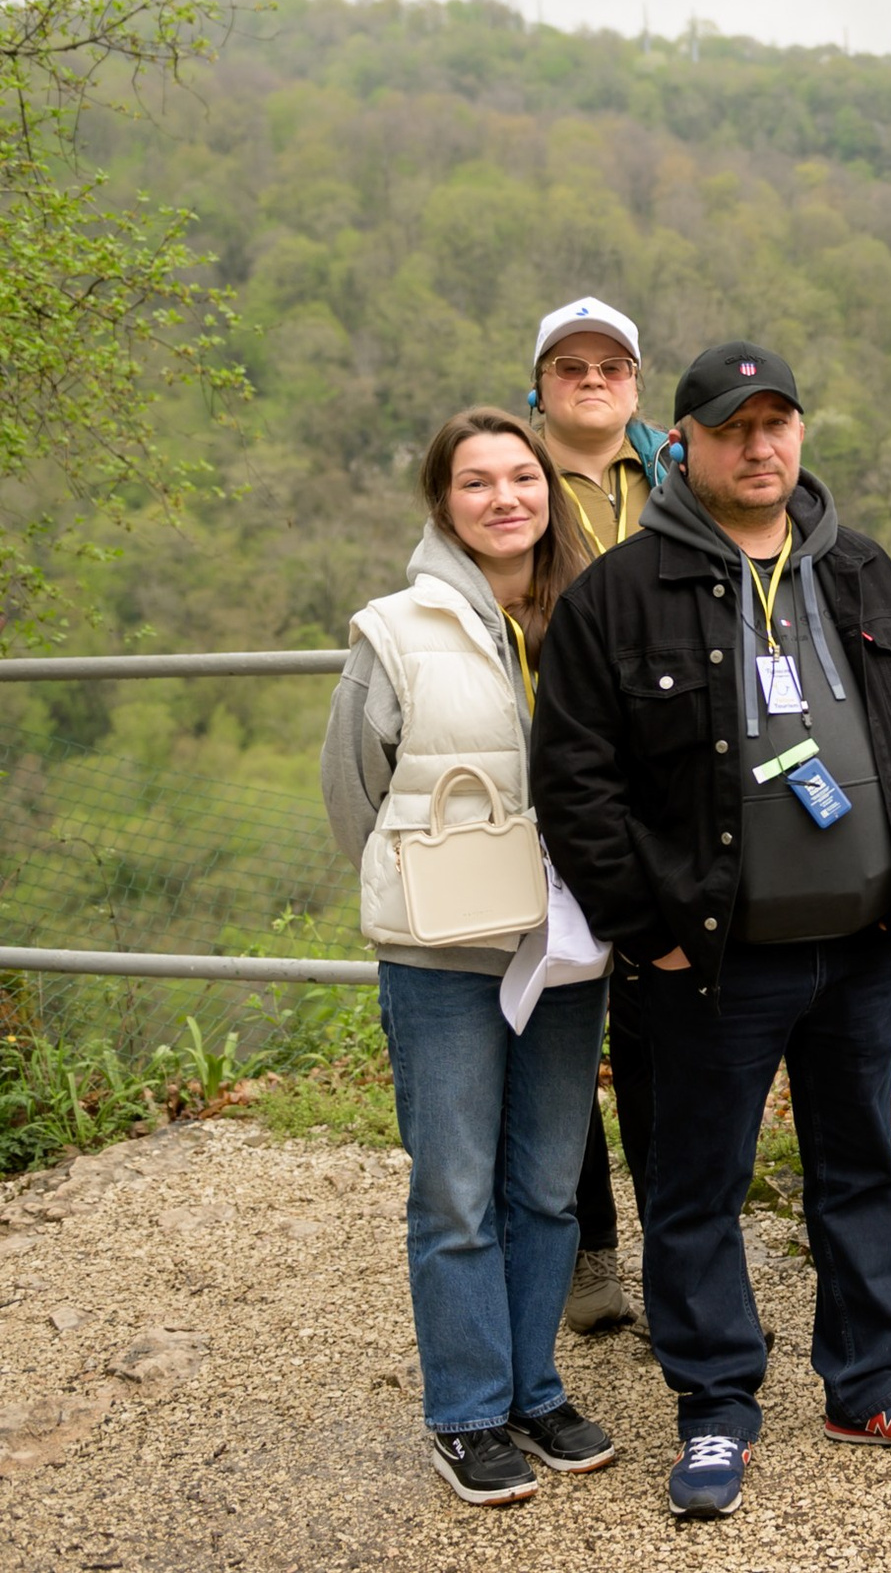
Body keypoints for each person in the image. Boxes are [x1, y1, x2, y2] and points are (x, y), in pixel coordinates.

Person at [531, 343, 891, 1520]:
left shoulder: (866, 573)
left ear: (799, 436)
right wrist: (653, 931)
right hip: (707, 962)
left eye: (778, 422)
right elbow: (575, 784)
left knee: (860, 1171)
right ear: (682, 440)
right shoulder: (617, 595)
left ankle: (868, 1381)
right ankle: (717, 1407)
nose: (760, 445)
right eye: (734, 426)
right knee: (695, 1186)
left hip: (857, 947)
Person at [320, 407, 614, 1507]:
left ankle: (535, 1387)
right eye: (477, 481)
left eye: (523, 478)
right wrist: (424, 892)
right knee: (454, 1191)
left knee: (544, 1186)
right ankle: (467, 1412)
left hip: (565, 944)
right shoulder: (395, 628)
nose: (505, 498)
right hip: (443, 949)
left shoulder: (588, 616)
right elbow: (354, 786)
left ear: (549, 491)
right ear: (442, 500)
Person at [526, 294, 671, 1337]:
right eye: (568, 365)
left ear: (635, 380)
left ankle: (679, 1242)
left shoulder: (673, 474)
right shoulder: (508, 476)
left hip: (669, 789)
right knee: (566, 1030)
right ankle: (588, 1249)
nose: (590, 379)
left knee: (666, 1031)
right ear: (538, 380)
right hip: (552, 783)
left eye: (608, 365)